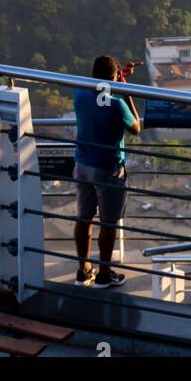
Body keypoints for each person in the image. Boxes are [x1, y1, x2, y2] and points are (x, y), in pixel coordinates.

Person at [72, 55, 141, 288]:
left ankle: (83, 270)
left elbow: (98, 94)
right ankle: (104, 273)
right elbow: (136, 128)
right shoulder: (117, 105)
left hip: (82, 165)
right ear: (113, 78)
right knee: (108, 223)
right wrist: (125, 90)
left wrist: (115, 80)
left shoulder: (79, 95)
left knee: (84, 217)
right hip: (108, 169)